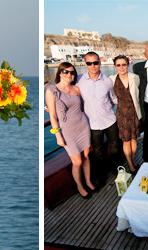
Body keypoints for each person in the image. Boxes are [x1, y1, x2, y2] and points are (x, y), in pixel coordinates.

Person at [45, 62, 94, 198]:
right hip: (68, 131)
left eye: (72, 72)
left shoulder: (76, 89)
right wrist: (57, 136)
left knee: (85, 157)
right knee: (77, 161)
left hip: (82, 126)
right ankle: (80, 186)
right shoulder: (51, 90)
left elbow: (82, 108)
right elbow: (53, 116)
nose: (69, 75)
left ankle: (88, 182)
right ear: (60, 73)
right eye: (66, 71)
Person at [76, 52, 118, 186]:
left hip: (109, 120)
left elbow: (113, 99)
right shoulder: (78, 80)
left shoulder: (107, 81)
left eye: (95, 62)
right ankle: (102, 174)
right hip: (92, 123)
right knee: (98, 151)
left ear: (100, 62)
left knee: (114, 147)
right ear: (85, 64)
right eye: (89, 63)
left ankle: (116, 169)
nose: (93, 66)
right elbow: (65, 91)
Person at [109, 55, 141, 173]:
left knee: (134, 139)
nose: (121, 67)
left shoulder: (135, 78)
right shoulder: (111, 80)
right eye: (118, 65)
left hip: (134, 113)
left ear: (128, 65)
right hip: (122, 114)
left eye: (124, 64)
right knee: (126, 140)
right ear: (115, 67)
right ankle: (130, 165)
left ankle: (132, 159)